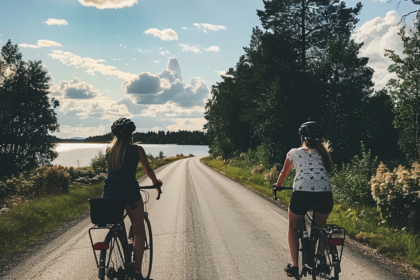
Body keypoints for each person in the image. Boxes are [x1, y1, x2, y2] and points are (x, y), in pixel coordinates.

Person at [102, 118, 161, 280]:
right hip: (130, 194)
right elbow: (147, 170)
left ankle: (115, 238)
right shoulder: (137, 149)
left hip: (109, 194)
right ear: (131, 134)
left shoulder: (109, 149)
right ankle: (137, 272)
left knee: (115, 224)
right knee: (138, 231)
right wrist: (156, 184)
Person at [274, 120, 333, 278]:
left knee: (293, 227)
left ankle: (294, 265)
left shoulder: (294, 153)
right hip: (325, 195)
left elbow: (283, 173)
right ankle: (321, 259)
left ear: (302, 137)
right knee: (321, 227)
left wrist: (277, 185)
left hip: (302, 195)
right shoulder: (324, 153)